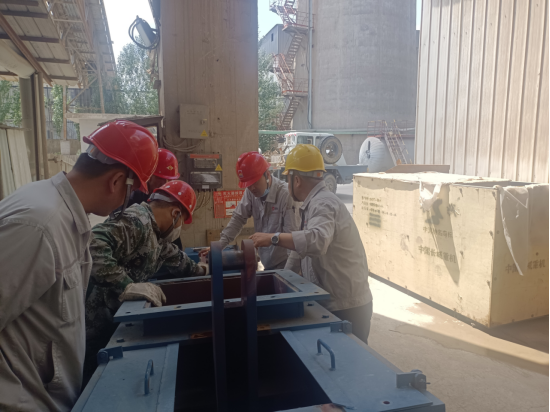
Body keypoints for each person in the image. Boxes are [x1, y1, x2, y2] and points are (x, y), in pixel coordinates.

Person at [0, 120, 159, 411]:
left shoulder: (66, 217)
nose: (126, 202)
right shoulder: (40, 226)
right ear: (116, 181)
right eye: (131, 192)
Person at [84, 180, 207, 384]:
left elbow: (177, 259)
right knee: (90, 379)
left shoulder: (157, 235)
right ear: (175, 213)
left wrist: (204, 269)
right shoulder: (137, 221)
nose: (179, 229)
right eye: (182, 222)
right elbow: (93, 243)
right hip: (94, 321)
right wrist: (125, 285)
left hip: (113, 317)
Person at [250, 144, 373, 344]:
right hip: (335, 301)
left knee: (348, 358)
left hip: (347, 306)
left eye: (288, 178)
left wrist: (273, 238)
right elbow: (300, 250)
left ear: (297, 180)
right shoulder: (312, 204)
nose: (286, 183)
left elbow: (317, 241)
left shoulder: (323, 203)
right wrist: (282, 281)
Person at [199, 151, 300, 271]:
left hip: (286, 264)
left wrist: (289, 274)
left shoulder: (286, 196)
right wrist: (219, 246)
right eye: (248, 184)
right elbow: (238, 219)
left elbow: (293, 240)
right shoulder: (250, 192)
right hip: (268, 264)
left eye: (255, 182)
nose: (252, 188)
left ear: (267, 174)